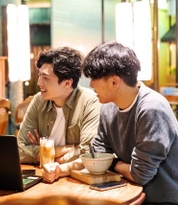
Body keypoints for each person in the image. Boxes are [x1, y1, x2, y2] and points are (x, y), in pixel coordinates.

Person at [42, 41, 178, 204]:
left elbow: (140, 175)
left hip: (159, 200)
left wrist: (111, 162)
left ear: (114, 82)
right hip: (122, 192)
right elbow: (95, 156)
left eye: (94, 79)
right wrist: (60, 170)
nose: (91, 85)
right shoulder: (108, 108)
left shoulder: (152, 109)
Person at [17, 47, 100, 164]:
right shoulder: (39, 101)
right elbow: (19, 150)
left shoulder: (89, 102)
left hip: (73, 178)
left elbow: (88, 153)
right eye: (39, 75)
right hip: (44, 174)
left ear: (67, 83)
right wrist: (65, 149)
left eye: (45, 77)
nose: (39, 82)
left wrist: (44, 154)